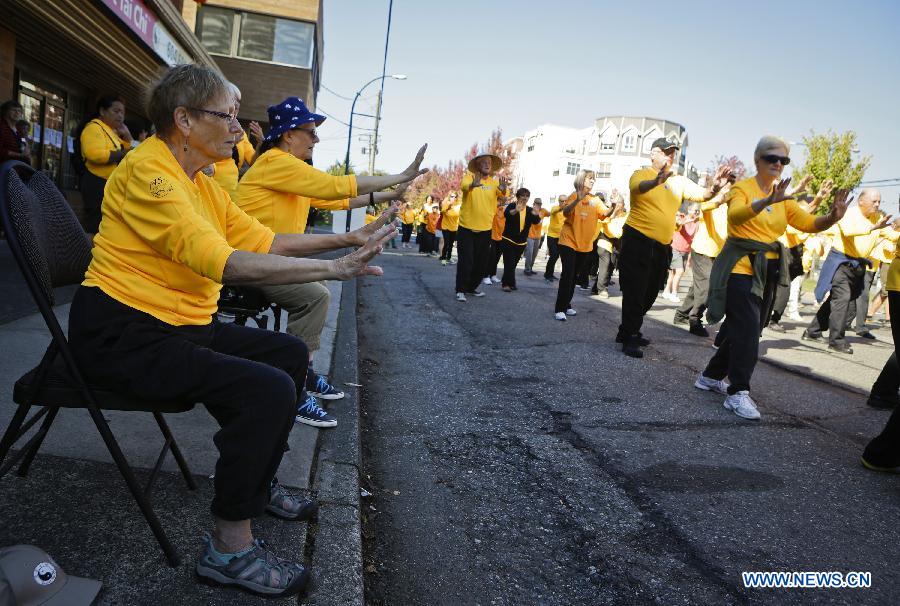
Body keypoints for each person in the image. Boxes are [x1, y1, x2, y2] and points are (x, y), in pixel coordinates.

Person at [67, 65, 408, 597]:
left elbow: (265, 240)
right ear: (183, 120)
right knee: (265, 388)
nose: (238, 127)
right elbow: (221, 262)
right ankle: (228, 548)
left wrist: (349, 239)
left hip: (175, 325)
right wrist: (335, 269)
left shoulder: (199, 181)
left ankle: (255, 486)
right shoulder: (150, 173)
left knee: (288, 353)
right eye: (225, 114)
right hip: (122, 332)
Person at [236, 95, 419, 426]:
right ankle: (291, 386)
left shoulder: (287, 169)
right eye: (310, 130)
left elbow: (336, 199)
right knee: (315, 295)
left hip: (270, 256)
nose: (316, 138)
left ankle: (300, 371)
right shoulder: (276, 162)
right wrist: (398, 175)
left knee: (318, 287)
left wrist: (389, 194)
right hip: (248, 260)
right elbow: (336, 186)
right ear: (289, 134)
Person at [695, 136, 849, 420]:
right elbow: (737, 217)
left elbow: (807, 223)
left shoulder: (784, 197)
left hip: (767, 270)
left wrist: (832, 218)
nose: (778, 164)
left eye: (783, 160)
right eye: (772, 158)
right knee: (749, 331)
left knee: (750, 329)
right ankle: (737, 392)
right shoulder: (743, 188)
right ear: (757, 161)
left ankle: (709, 376)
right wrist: (766, 200)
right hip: (739, 268)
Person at [617, 137, 730, 357]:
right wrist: (656, 181)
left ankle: (626, 329)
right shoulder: (641, 174)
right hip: (637, 239)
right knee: (635, 289)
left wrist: (715, 187)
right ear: (652, 154)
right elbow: (638, 188)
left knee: (651, 291)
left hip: (661, 245)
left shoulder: (679, 181)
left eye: (672, 153)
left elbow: (702, 194)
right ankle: (630, 335)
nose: (670, 156)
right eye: (665, 151)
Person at [802, 189, 892, 354]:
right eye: (874, 201)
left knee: (839, 302)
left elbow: (891, 233)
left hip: (857, 265)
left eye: (879, 201)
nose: (878, 205)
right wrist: (873, 227)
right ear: (861, 201)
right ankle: (836, 341)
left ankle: (812, 331)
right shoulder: (849, 213)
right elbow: (849, 231)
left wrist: (883, 228)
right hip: (841, 262)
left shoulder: (878, 218)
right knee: (842, 299)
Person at [554, 170, 620, 321]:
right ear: (582, 179)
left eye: (593, 179)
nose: (592, 181)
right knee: (568, 274)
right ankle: (559, 308)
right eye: (590, 178)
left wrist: (614, 204)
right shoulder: (573, 195)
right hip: (568, 240)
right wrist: (577, 200)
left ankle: (566, 305)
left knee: (575, 276)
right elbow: (565, 212)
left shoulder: (595, 200)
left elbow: (605, 213)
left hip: (584, 244)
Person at [673, 183, 731, 335]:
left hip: (716, 254)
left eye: (731, 189)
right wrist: (719, 198)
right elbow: (703, 208)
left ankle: (682, 314)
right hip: (702, 250)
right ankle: (695, 319)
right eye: (725, 188)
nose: (728, 192)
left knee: (698, 287)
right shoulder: (710, 203)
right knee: (707, 287)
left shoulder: (729, 208)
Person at [455, 153, 508, 301]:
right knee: (466, 261)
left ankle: (471, 288)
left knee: (481, 263)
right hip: (466, 227)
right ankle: (460, 289)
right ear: (477, 165)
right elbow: (464, 187)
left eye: (489, 163)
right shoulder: (469, 177)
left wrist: (503, 189)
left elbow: (504, 197)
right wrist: (473, 185)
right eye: (484, 162)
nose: (487, 164)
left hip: (485, 229)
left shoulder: (494, 183)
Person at [78, 94, 133, 233]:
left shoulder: (110, 131)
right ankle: (88, 252)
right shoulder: (94, 128)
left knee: (104, 224)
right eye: (116, 111)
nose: (120, 116)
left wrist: (127, 137)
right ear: (102, 111)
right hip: (96, 181)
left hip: (108, 183)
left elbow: (126, 151)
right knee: (94, 224)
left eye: (122, 112)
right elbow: (94, 154)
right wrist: (123, 153)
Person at [210, 83, 260, 201]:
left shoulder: (238, 130)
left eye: (237, 105)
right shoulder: (211, 123)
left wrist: (261, 144)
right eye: (233, 101)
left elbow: (253, 161)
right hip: (211, 186)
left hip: (230, 192)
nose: (235, 108)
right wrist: (230, 143)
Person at [500, 188, 541, 291]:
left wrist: (536, 213)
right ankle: (506, 284)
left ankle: (511, 282)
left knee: (513, 263)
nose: (525, 197)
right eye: (523, 195)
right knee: (509, 262)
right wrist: (516, 210)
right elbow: (507, 214)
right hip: (508, 239)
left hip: (521, 242)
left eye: (527, 196)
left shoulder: (529, 210)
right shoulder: (512, 205)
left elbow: (536, 221)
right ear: (518, 196)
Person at [591, 193, 627, 298]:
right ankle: (602, 289)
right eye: (617, 203)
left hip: (616, 245)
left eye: (621, 203)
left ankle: (595, 288)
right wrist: (613, 212)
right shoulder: (608, 212)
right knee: (605, 265)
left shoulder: (625, 216)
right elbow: (602, 221)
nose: (619, 205)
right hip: (604, 242)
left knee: (610, 266)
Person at [663, 205, 700, 302]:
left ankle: (666, 291)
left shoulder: (697, 222)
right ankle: (674, 293)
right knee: (679, 271)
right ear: (689, 210)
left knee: (673, 273)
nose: (696, 213)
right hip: (675, 248)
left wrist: (690, 257)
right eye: (695, 211)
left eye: (698, 211)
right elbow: (678, 224)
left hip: (686, 250)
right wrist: (688, 220)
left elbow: (694, 238)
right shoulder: (683, 217)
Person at [543, 195, 567, 282]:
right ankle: (547, 274)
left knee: (556, 256)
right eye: (562, 201)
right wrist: (562, 208)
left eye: (565, 201)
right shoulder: (555, 208)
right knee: (553, 255)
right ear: (559, 201)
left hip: (561, 237)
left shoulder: (567, 211)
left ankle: (550, 273)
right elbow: (553, 211)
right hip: (552, 236)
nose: (564, 202)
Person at [485, 197, 507, 285]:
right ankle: (485, 276)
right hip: (492, 236)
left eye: (503, 200)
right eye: (500, 200)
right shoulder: (493, 209)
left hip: (501, 237)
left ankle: (493, 275)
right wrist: (496, 205)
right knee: (491, 257)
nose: (501, 202)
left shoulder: (505, 210)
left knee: (497, 258)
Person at [523, 198, 548, 275]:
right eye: (537, 203)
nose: (538, 205)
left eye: (540, 203)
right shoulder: (530, 210)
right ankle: (527, 269)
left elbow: (552, 213)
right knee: (529, 253)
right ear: (534, 203)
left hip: (538, 236)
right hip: (529, 236)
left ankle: (530, 268)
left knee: (534, 254)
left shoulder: (543, 211)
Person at [440, 191, 461, 265]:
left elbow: (460, 215)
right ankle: (443, 258)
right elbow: (442, 211)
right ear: (449, 197)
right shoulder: (446, 203)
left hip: (454, 227)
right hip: (445, 227)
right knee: (446, 243)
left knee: (451, 243)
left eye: (455, 197)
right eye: (452, 196)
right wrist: (448, 208)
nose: (454, 198)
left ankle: (449, 257)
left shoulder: (458, 206)